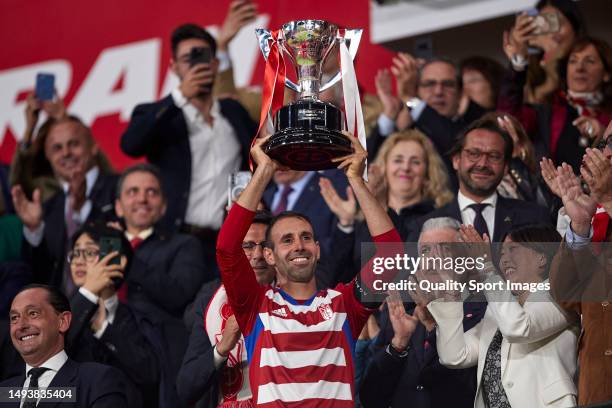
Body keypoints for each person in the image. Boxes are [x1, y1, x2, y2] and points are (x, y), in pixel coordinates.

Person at [216, 133, 402, 406]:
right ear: (269, 255)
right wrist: (264, 172)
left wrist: (356, 180)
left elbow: (391, 254)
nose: (299, 246)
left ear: (317, 249)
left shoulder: (345, 305)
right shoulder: (255, 305)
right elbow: (227, 247)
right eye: (286, 240)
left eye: (306, 237)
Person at [120, 23, 256, 273]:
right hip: (174, 240)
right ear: (173, 67)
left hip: (227, 242)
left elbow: (258, 159)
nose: (196, 65)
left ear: (215, 64)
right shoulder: (161, 114)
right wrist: (179, 97)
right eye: (187, 59)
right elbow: (130, 144)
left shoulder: (233, 112)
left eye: (202, 57)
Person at [423, 224, 579, 407]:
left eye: (513, 249)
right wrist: (451, 291)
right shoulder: (497, 309)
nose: (504, 259)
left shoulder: (561, 297)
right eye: (502, 253)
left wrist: (487, 268)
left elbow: (519, 328)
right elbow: (455, 356)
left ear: (542, 257)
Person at [359, 217, 486, 408]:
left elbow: (469, 387)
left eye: (444, 248)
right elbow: (371, 398)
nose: (433, 258)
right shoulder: (402, 314)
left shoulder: (483, 312)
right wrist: (398, 345)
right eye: (426, 250)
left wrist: (434, 328)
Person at [113, 163, 207, 407]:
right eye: (133, 192)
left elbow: (179, 294)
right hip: (106, 350)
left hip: (158, 358)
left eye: (151, 192)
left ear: (163, 206)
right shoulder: (105, 242)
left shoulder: (184, 244)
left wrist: (126, 254)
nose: (142, 199)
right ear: (118, 206)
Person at [320, 129, 453, 282]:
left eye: (415, 162)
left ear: (428, 172)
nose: (406, 167)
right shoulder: (362, 220)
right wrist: (346, 224)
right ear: (384, 167)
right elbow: (335, 279)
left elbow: (400, 267)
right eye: (398, 160)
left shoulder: (435, 220)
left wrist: (381, 205)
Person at [177, 211, 276, 408]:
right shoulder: (210, 301)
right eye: (247, 246)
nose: (257, 255)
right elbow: (185, 388)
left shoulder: (297, 296)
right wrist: (222, 348)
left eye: (265, 246)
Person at [11, 115, 117, 295]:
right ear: (48, 156)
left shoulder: (123, 188)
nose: (66, 153)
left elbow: (118, 248)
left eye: (74, 144)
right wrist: (34, 230)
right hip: (61, 315)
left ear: (93, 147)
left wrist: (82, 210)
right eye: (57, 148)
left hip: (110, 307)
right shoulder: (47, 207)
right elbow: (36, 275)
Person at [407, 115, 551, 242]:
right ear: (456, 160)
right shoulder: (423, 225)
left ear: (506, 166)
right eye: (474, 154)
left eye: (494, 156)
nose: (482, 164)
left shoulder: (535, 217)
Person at [548, 134, 612, 405]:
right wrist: (580, 227)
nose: (606, 154)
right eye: (605, 144)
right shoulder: (599, 219)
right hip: (598, 384)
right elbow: (566, 296)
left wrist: (609, 201)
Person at [66, 221, 159, 408]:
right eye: (75, 253)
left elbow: (149, 376)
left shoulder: (138, 317)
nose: (78, 260)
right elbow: (51, 351)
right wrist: (89, 293)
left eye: (90, 252)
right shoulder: (58, 311)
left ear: (118, 261)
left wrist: (104, 329)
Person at [500, 32, 612, 173]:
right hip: (553, 193)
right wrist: (518, 65)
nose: (579, 68)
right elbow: (508, 117)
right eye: (573, 61)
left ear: (607, 73)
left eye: (589, 61)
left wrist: (603, 136)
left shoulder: (609, 117)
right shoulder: (547, 111)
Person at [1, 284, 128, 407]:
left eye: (33, 313)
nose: (21, 325)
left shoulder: (97, 381)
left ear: (63, 321)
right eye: (14, 317)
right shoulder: (4, 392)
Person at [369, 54, 487, 186]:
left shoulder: (475, 129)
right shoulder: (406, 131)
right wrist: (390, 111)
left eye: (448, 84)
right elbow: (369, 166)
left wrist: (409, 98)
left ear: (460, 93)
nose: (438, 91)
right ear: (418, 90)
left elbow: (450, 139)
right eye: (429, 84)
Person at [262, 168, 348, 258]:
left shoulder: (333, 188)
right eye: (273, 158)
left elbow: (342, 245)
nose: (279, 166)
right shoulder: (264, 194)